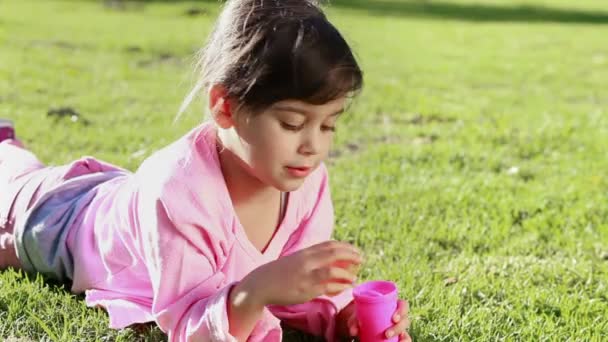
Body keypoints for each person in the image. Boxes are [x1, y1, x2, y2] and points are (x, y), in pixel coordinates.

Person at [0, 0, 411, 341]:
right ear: (225, 107)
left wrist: (345, 318)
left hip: (121, 198)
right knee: (11, 183)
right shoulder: (181, 191)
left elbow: (299, 292)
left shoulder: (305, 183)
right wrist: (254, 291)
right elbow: (189, 325)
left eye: (328, 125)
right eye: (291, 123)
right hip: (60, 222)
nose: (314, 145)